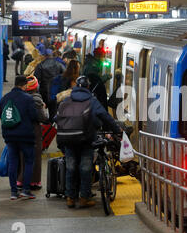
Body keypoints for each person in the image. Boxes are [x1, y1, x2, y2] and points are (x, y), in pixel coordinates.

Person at [56, 76, 122, 208]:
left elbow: (56, 118)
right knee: (85, 169)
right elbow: (105, 116)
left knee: (71, 168)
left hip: (68, 139)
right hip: (86, 140)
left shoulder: (67, 100)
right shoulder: (92, 100)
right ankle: (84, 198)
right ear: (88, 87)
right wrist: (117, 130)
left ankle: (70, 197)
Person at [0, 75, 38, 200]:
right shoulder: (28, 99)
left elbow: (2, 115)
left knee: (13, 162)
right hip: (25, 136)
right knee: (28, 161)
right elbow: (34, 116)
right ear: (25, 85)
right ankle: (26, 190)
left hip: (10, 135)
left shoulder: (5, 98)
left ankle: (13, 192)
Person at [16, 76, 49, 191]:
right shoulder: (36, 99)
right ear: (36, 87)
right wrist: (44, 109)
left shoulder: (19, 98)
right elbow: (43, 118)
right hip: (33, 130)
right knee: (35, 156)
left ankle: (20, 180)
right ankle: (34, 181)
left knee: (22, 155)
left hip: (20, 129)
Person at [34, 48, 65, 121]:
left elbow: (36, 80)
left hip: (43, 91)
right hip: (55, 91)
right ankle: (52, 128)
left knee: (42, 112)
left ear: (45, 56)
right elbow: (65, 76)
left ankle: (45, 126)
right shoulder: (59, 64)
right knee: (53, 112)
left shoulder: (40, 65)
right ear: (52, 55)